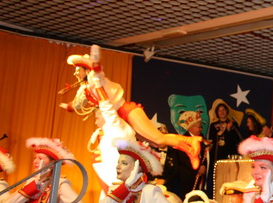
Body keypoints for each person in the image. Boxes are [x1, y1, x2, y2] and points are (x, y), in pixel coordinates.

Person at [61, 45, 202, 169]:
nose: (75, 73)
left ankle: (191, 142)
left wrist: (95, 61)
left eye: (78, 70)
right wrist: (67, 106)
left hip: (126, 111)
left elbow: (98, 72)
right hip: (118, 120)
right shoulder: (85, 89)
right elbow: (77, 103)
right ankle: (189, 147)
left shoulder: (94, 78)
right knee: (156, 144)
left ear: (86, 69)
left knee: (158, 139)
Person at [206, 99, 245, 175]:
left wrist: (228, 129)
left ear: (227, 111)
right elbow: (212, 140)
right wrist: (220, 133)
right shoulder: (213, 125)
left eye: (223, 110)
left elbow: (236, 139)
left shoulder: (233, 124)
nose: (222, 112)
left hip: (229, 154)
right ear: (217, 113)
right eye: (219, 111)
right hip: (217, 154)